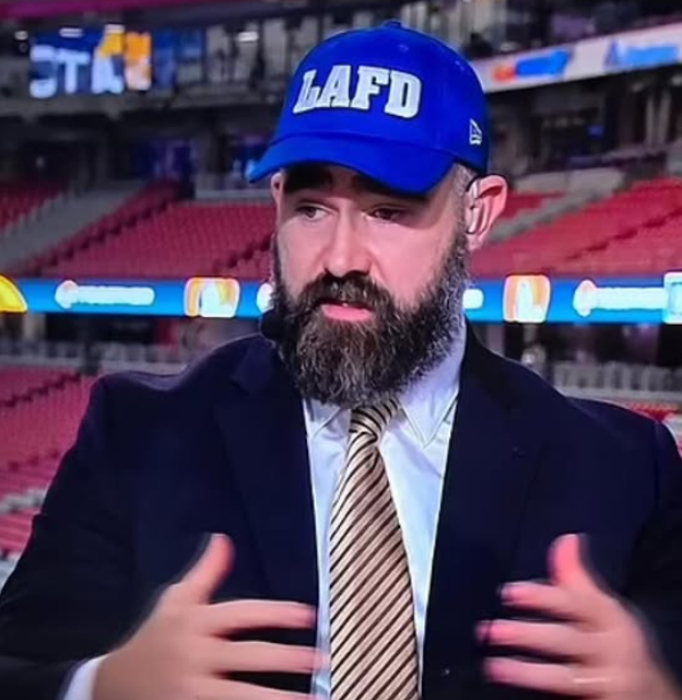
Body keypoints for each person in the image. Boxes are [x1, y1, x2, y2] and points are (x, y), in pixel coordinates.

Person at [1, 20, 682, 700]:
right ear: (275, 203)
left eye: (388, 211)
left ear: (477, 213)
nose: (340, 258)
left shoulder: (624, 471)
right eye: (312, 208)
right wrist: (101, 686)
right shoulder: (137, 436)